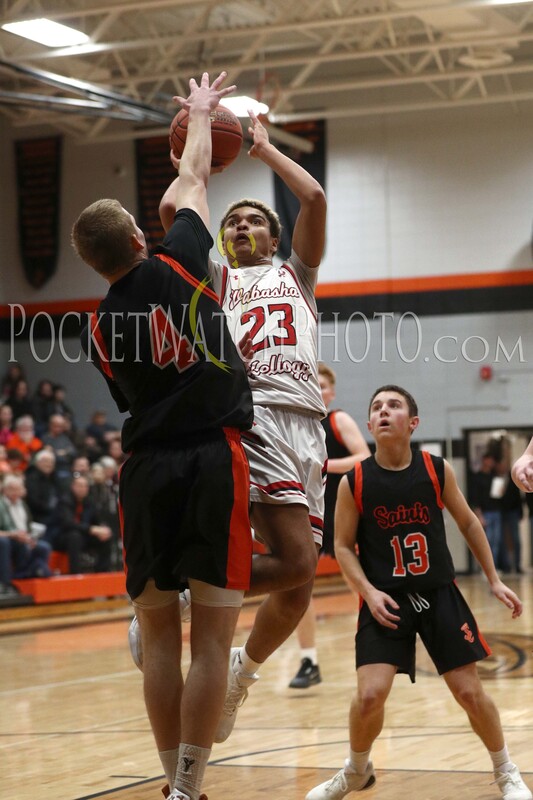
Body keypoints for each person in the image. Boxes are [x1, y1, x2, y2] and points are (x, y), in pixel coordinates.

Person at [71, 71, 253, 800]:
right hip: (213, 453)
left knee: (156, 639)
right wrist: (202, 112)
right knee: (211, 640)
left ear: (94, 264)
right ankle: (186, 787)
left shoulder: (92, 324)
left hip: (144, 466)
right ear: (144, 239)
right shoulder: (181, 261)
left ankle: (172, 788)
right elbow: (194, 172)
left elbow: (124, 394)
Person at [157, 101, 328, 743]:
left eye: (255, 220)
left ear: (274, 237)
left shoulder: (298, 276)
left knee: (300, 578)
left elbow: (311, 198)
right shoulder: (217, 278)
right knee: (296, 563)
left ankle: (240, 671)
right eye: (234, 221)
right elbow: (176, 216)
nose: (243, 227)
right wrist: (193, 171)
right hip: (248, 417)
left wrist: (261, 149)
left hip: (304, 425)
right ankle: (175, 589)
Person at [305, 385, 531, 800]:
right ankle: (356, 770)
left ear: (413, 423)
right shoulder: (353, 481)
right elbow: (340, 547)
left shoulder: (435, 468)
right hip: (385, 600)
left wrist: (494, 579)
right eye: (376, 407)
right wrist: (368, 593)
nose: (383, 411)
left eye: (394, 406)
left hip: (438, 593)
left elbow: (468, 523)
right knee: (370, 694)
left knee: (469, 691)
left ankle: (506, 772)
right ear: (370, 424)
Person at [289, 362, 370, 689]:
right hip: (304, 511)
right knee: (298, 587)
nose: (318, 390)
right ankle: (309, 660)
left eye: (323, 385)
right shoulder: (294, 424)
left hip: (341, 510)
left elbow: (364, 456)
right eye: (313, 384)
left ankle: (379, 647)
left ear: (331, 392)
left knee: (360, 584)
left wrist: (324, 465)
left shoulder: (338, 421)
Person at [49, 474, 113, 574]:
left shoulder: (90, 502)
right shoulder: (64, 501)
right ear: (73, 487)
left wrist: (103, 528)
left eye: (85, 486)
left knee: (104, 536)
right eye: (80, 486)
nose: (82, 489)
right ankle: (75, 573)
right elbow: (68, 524)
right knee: (74, 536)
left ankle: (102, 571)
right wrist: (91, 529)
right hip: (62, 537)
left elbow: (98, 520)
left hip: (83, 535)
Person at [0, 473, 52, 588]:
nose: (15, 492)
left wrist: (31, 538)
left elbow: (28, 527)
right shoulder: (1, 505)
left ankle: (29, 576)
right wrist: (13, 534)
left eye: (17, 489)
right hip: (10, 538)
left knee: (43, 547)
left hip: (23, 537)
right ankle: (6, 583)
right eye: (11, 489)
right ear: (4, 490)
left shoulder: (23, 505)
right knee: (9, 544)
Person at [470, 452, 503, 567]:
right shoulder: (477, 477)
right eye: (489, 460)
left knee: (496, 541)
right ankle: (486, 567)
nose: (491, 463)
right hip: (485, 512)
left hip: (496, 511)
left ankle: (494, 567)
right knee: (487, 542)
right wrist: (479, 515)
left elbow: (497, 495)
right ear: (484, 460)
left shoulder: (494, 476)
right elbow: (475, 499)